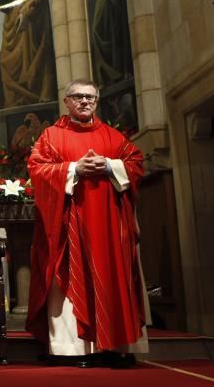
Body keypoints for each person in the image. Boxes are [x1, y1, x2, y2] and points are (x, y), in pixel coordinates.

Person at [26, 79, 148, 368]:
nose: (84, 101)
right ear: (66, 102)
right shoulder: (51, 136)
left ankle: (116, 346)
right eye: (78, 97)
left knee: (114, 279)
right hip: (69, 224)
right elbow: (37, 167)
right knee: (68, 279)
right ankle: (74, 350)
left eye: (90, 97)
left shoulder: (114, 138)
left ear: (97, 101)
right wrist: (73, 169)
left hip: (109, 226)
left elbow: (136, 163)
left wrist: (109, 166)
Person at [0, 0, 56, 106]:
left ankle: (38, 97)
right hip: (11, 23)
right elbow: (2, 3)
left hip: (32, 22)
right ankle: (15, 104)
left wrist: (27, 11)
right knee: (6, 60)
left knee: (34, 59)